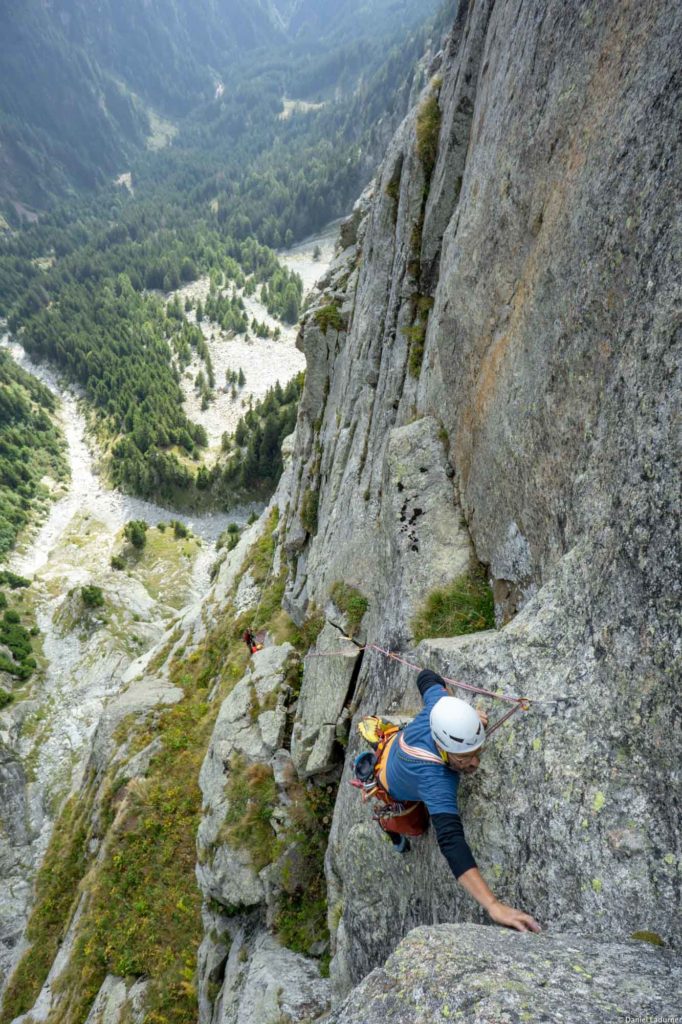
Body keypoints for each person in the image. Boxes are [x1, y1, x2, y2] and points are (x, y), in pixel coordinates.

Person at [373, 668, 540, 933]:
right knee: (415, 826)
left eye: (477, 751)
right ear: (443, 748)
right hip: (391, 784)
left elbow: (426, 676)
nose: (474, 763)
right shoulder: (436, 780)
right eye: (464, 758)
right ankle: (389, 827)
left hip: (395, 745)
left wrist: (465, 718)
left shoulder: (438, 709)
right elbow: (451, 841)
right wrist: (493, 905)